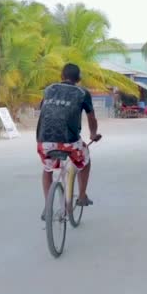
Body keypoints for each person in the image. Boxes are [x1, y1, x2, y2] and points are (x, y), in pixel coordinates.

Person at [37, 63, 101, 220]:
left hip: (44, 140)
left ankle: (48, 206)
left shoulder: (49, 89)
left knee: (48, 169)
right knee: (85, 159)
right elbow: (91, 117)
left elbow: (44, 110)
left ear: (61, 76)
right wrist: (93, 134)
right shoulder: (82, 92)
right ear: (78, 78)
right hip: (69, 142)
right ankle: (82, 196)